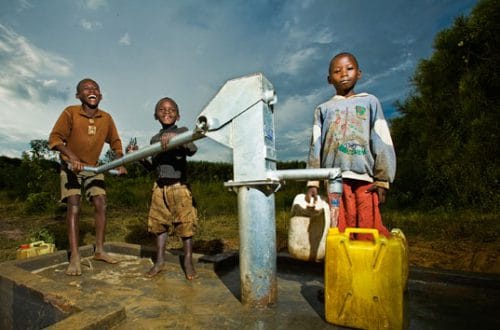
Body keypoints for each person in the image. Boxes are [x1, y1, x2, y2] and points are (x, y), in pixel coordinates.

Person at [306, 52, 396, 239]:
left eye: (349, 68)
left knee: (367, 226)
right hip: (334, 179)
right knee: (339, 227)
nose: (344, 74)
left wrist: (382, 179)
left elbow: (382, 140)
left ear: (359, 73)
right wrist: (313, 181)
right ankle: (342, 265)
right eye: (337, 71)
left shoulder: (370, 102)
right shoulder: (323, 109)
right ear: (330, 79)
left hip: (365, 178)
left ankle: (366, 264)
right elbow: (315, 147)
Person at [49, 78, 127, 276]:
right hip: (70, 166)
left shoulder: (106, 118)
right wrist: (72, 157)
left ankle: (99, 250)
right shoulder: (70, 112)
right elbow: (55, 139)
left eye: (95, 88)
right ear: (78, 95)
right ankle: (75, 255)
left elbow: (116, 142)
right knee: (74, 205)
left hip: (93, 168)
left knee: (101, 202)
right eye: (86, 88)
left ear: (100, 95)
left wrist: (120, 161)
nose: (92, 90)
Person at [128, 96, 199, 279]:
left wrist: (177, 138)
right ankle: (159, 261)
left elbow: (192, 149)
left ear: (178, 115)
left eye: (171, 109)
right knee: (159, 226)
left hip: (179, 187)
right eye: (162, 109)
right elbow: (153, 167)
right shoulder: (154, 139)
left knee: (186, 226)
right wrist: (139, 157)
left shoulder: (183, 131)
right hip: (159, 189)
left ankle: (188, 262)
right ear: (155, 115)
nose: (167, 112)